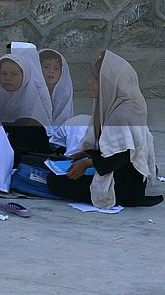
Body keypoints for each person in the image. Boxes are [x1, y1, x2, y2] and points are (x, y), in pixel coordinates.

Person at [47, 51, 162, 208]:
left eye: (95, 78)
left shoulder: (122, 114)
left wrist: (87, 164)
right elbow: (112, 148)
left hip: (122, 188)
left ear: (109, 83)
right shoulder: (119, 104)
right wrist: (87, 153)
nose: (90, 82)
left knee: (55, 182)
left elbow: (121, 155)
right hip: (129, 181)